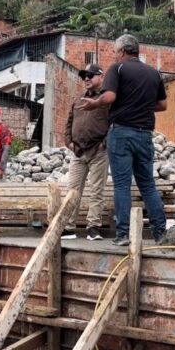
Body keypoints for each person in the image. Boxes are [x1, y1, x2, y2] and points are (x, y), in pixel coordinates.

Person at [79, 34, 167, 246]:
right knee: (148, 185)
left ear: (122, 51)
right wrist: (140, 106)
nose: (114, 55)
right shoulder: (154, 73)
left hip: (121, 133)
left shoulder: (117, 69)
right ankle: (160, 233)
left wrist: (94, 103)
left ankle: (123, 234)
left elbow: (109, 97)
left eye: (115, 51)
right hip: (145, 134)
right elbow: (162, 105)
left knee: (122, 185)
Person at [61, 64, 109, 241]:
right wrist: (69, 143)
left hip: (98, 152)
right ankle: (68, 228)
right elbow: (69, 123)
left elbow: (115, 122)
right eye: (84, 76)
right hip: (78, 152)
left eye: (90, 75)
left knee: (97, 190)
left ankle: (93, 227)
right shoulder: (78, 100)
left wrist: (104, 143)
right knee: (72, 190)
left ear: (101, 76)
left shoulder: (107, 99)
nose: (86, 78)